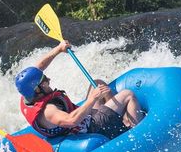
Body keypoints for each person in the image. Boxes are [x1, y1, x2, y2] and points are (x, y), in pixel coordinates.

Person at [15, 41, 144, 140]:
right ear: (38, 89)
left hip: (86, 119)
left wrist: (59, 49)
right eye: (45, 81)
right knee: (128, 95)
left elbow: (39, 68)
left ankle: (119, 118)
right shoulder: (48, 111)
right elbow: (72, 120)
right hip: (90, 127)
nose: (48, 79)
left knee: (97, 83)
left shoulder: (28, 93)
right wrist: (91, 99)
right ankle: (136, 135)